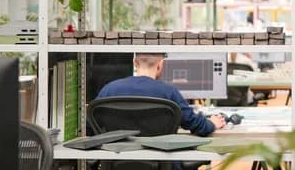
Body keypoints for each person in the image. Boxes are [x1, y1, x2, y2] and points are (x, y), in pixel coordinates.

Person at [97, 53, 226, 135]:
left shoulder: (108, 90)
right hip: (162, 167)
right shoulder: (169, 92)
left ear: (135, 63)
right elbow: (197, 126)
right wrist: (212, 123)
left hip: (116, 167)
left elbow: (91, 126)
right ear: (160, 65)